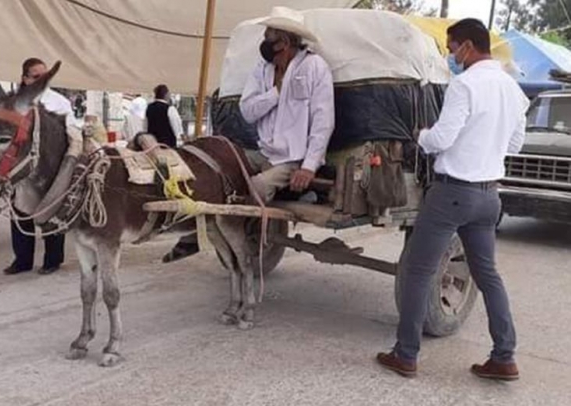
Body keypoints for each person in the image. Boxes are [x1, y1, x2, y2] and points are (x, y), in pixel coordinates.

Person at [376, 19, 529, 381]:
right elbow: (514, 145)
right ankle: (504, 356)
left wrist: (422, 136)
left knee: (418, 270)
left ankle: (406, 354)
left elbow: (443, 138)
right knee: (488, 274)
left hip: (453, 193)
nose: (450, 55)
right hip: (489, 195)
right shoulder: (513, 89)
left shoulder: (465, 85)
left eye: (451, 48)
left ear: (468, 46)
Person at [162, 7, 335, 263]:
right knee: (216, 171)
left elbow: (323, 121)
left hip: (292, 158)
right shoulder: (262, 70)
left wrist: (308, 167)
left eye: (269, 39)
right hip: (263, 151)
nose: (264, 45)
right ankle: (197, 232)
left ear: (285, 42)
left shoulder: (314, 67)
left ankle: (219, 238)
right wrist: (275, 94)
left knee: (257, 187)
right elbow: (248, 110)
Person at [3, 57, 81, 275]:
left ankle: (52, 260)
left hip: (50, 167)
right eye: (37, 76)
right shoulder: (12, 102)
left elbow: (71, 132)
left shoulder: (59, 102)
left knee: (51, 210)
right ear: (25, 79)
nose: (43, 80)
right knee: (19, 212)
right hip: (20, 167)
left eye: (46, 76)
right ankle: (22, 260)